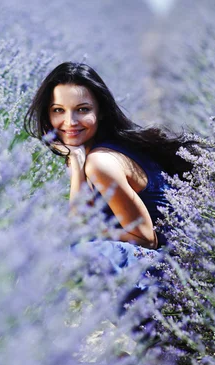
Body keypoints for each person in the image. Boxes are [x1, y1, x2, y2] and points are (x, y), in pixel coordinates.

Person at [24, 62, 200, 252]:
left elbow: (146, 239)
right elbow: (83, 219)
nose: (70, 122)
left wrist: (85, 233)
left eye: (82, 109)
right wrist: (76, 164)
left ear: (100, 112)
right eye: (58, 110)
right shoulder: (99, 151)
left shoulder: (101, 162)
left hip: (170, 269)